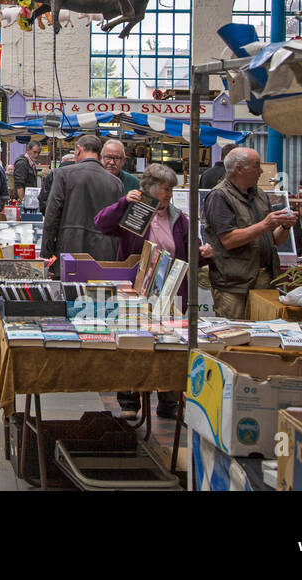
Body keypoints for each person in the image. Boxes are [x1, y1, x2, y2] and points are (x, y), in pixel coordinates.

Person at [96, 164, 212, 419]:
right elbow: (102, 223)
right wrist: (123, 202)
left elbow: (189, 252)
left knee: (170, 345)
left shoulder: (179, 218)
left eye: (171, 188)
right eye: (165, 188)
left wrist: (203, 255)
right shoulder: (135, 210)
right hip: (136, 291)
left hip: (171, 292)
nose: (169, 193)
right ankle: (129, 400)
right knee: (133, 344)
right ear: (149, 188)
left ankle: (169, 401)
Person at [203, 147, 295, 318]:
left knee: (265, 335)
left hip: (265, 281)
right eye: (256, 166)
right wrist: (265, 224)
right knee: (235, 335)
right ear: (239, 169)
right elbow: (228, 240)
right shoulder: (219, 196)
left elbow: (274, 240)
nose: (261, 171)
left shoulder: (260, 195)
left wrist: (284, 226)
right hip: (235, 285)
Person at [41, 135, 124, 262]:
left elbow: (51, 217)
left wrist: (46, 255)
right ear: (99, 155)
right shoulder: (116, 183)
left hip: (70, 252)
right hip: (105, 255)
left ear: (78, 150)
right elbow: (119, 223)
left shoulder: (62, 174)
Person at [12, 141, 43, 208]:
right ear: (28, 150)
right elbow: (19, 184)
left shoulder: (30, 163)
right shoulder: (22, 163)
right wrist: (23, 202)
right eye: (34, 152)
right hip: (24, 201)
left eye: (38, 153)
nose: (37, 155)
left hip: (29, 201)